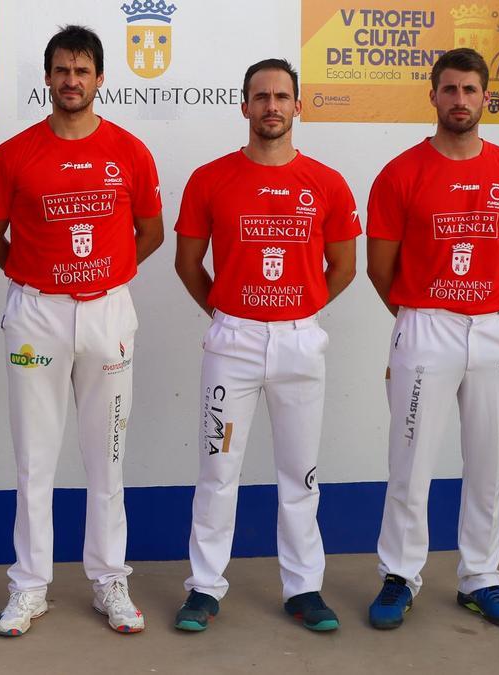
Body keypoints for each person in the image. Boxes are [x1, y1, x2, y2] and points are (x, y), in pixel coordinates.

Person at [0, 25, 163, 636]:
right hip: (36, 315)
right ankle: (29, 586)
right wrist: (38, 277)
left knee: (106, 455)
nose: (71, 81)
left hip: (108, 310)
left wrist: (105, 275)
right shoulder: (12, 154)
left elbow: (150, 231)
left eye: (82, 71)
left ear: (100, 79)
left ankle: (110, 577)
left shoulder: (130, 150)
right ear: (48, 78)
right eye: (61, 70)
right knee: (34, 458)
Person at [173, 58, 359, 633]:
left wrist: (295, 311)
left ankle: (303, 588)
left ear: (298, 106)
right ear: (245, 105)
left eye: (282, 96)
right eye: (261, 97)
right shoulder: (210, 178)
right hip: (233, 342)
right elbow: (187, 263)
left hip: (301, 344)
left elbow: (345, 266)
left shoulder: (326, 182)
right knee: (218, 470)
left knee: (300, 474)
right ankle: (204, 588)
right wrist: (233, 314)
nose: (272, 106)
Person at [365, 47, 499, 630]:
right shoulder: (399, 173)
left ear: (485, 97)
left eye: (470, 90)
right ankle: (400, 575)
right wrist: (420, 316)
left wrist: (478, 304)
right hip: (424, 326)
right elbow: (379, 268)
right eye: (450, 89)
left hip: (494, 329)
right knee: (410, 463)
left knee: (488, 462)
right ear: (432, 95)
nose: (460, 100)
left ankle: (481, 577)